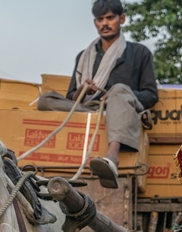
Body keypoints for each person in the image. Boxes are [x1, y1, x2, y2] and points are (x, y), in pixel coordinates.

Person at [37, 0, 158, 189]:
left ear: (122, 19)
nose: (104, 23)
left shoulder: (140, 53)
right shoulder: (83, 56)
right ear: (95, 23)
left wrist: (119, 96)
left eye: (110, 18)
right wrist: (83, 89)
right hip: (89, 109)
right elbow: (71, 97)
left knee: (119, 88)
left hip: (122, 110)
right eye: (99, 19)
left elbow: (151, 95)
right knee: (46, 100)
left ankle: (112, 157)